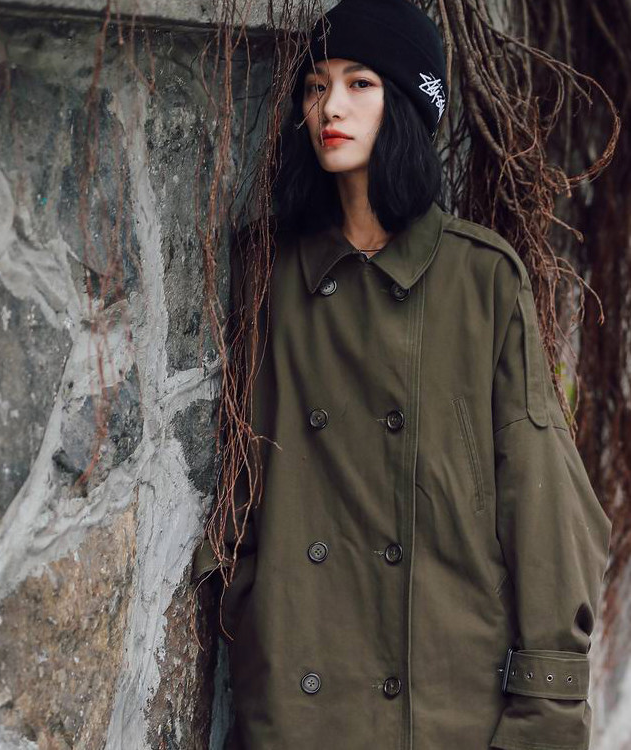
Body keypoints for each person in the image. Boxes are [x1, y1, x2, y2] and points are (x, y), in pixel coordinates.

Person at [191, 1, 613, 748]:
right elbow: (242, 477)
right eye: (317, 86)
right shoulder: (267, 270)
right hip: (296, 701)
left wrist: (546, 714)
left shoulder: (481, 280)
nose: (331, 107)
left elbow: (544, 505)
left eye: (360, 84)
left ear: (412, 105)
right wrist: (252, 608)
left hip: (445, 709)